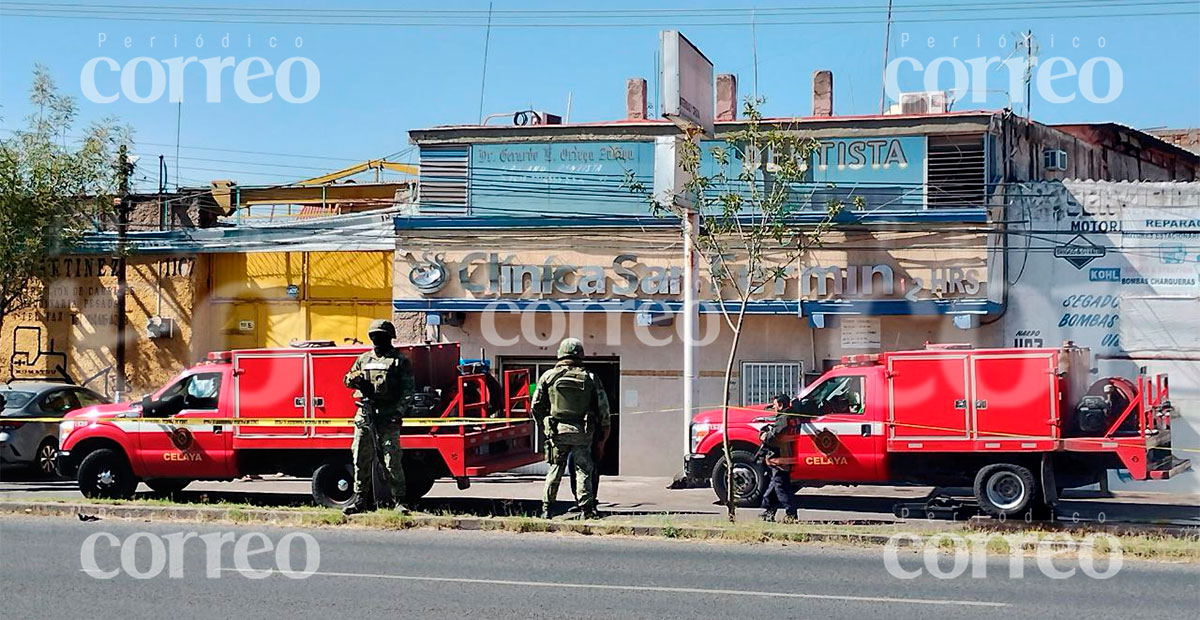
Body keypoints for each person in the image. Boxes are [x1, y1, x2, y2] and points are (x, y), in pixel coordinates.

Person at [342, 319, 416, 516]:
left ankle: (399, 501)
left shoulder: (399, 361)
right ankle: (359, 501)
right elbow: (346, 379)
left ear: (388, 338)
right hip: (365, 415)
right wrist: (355, 379)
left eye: (380, 336)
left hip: (388, 416)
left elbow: (408, 392)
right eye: (373, 336)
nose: (376, 339)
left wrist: (397, 413)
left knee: (392, 460)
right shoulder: (363, 359)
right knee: (360, 458)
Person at [533, 337, 610, 520]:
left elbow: (535, 406)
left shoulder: (548, 376)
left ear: (560, 354)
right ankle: (586, 509)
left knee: (555, 470)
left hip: (557, 432)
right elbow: (603, 409)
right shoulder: (590, 377)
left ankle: (547, 509)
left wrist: (544, 425)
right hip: (582, 433)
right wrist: (603, 435)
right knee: (583, 470)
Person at [757, 393, 802, 523]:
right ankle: (768, 512)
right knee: (775, 486)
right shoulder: (794, 417)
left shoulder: (783, 419)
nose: (774, 409)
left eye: (775, 405)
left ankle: (791, 514)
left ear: (781, 405)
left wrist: (763, 435)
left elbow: (772, 437)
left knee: (781, 488)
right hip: (788, 457)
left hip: (780, 459)